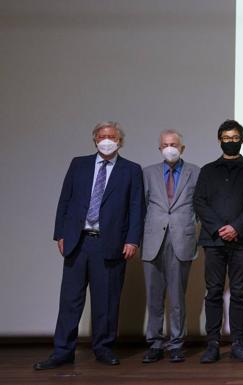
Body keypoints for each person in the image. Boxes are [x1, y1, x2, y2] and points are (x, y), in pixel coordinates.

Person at [34, 121, 144, 370]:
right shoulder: (79, 164)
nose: (107, 140)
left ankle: (103, 348)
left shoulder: (131, 170)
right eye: (102, 136)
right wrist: (60, 233)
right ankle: (63, 351)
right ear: (95, 139)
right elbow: (65, 199)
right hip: (77, 241)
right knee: (70, 301)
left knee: (106, 301)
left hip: (111, 243)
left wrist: (132, 239)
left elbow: (137, 208)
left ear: (120, 141)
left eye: (112, 136)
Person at [193, 119, 243, 363]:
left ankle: (237, 342)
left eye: (235, 138)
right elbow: (200, 202)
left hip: (241, 241)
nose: (231, 142)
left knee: (239, 292)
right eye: (227, 137)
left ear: (242, 140)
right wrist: (218, 229)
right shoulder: (208, 170)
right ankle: (212, 344)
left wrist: (235, 227)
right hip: (213, 241)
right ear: (219, 140)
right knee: (213, 292)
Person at [141, 130, 200, 364]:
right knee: (154, 297)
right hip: (153, 240)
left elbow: (199, 205)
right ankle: (155, 343)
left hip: (181, 239)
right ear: (159, 149)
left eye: (174, 144)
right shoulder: (147, 173)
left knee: (177, 297)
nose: (170, 148)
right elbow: (141, 206)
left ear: (182, 147)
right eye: (165, 144)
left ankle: (176, 344)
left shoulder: (196, 172)